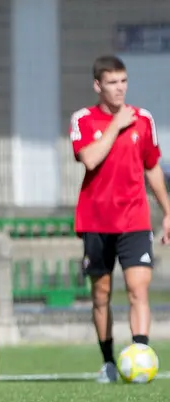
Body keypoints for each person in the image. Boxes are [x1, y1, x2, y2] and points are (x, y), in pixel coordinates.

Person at [69, 54, 170, 383]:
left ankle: (140, 353)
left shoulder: (143, 119)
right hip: (96, 221)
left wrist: (168, 212)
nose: (120, 88)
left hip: (134, 220)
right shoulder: (83, 120)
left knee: (138, 290)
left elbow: (152, 167)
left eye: (123, 81)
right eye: (112, 82)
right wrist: (116, 125)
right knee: (101, 294)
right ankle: (108, 363)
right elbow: (90, 159)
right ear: (97, 85)